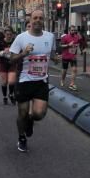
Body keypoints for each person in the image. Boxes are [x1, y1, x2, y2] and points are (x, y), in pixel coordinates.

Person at [10, 9, 59, 152]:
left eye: (41, 18)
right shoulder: (21, 38)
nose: (38, 20)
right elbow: (12, 59)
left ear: (44, 20)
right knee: (22, 113)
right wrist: (24, 53)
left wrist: (56, 59)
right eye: (35, 18)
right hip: (24, 80)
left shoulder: (50, 37)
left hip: (41, 81)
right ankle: (21, 138)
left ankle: (30, 121)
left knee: (39, 114)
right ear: (30, 20)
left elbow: (53, 55)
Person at [0, 26, 17, 105]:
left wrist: (13, 54)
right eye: (7, 34)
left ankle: (11, 94)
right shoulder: (0, 42)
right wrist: (2, 53)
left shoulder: (15, 42)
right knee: (4, 82)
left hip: (12, 64)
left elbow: (19, 52)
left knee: (11, 81)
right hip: (3, 64)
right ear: (4, 34)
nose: (9, 36)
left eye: (11, 34)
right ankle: (5, 96)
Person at [60, 25, 84, 90]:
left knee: (74, 69)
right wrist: (68, 45)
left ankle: (72, 84)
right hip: (65, 56)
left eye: (74, 30)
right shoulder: (65, 37)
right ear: (69, 30)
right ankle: (62, 80)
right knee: (64, 71)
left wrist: (81, 49)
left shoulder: (77, 37)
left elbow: (81, 43)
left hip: (73, 56)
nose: (73, 31)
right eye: (72, 30)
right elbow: (61, 45)